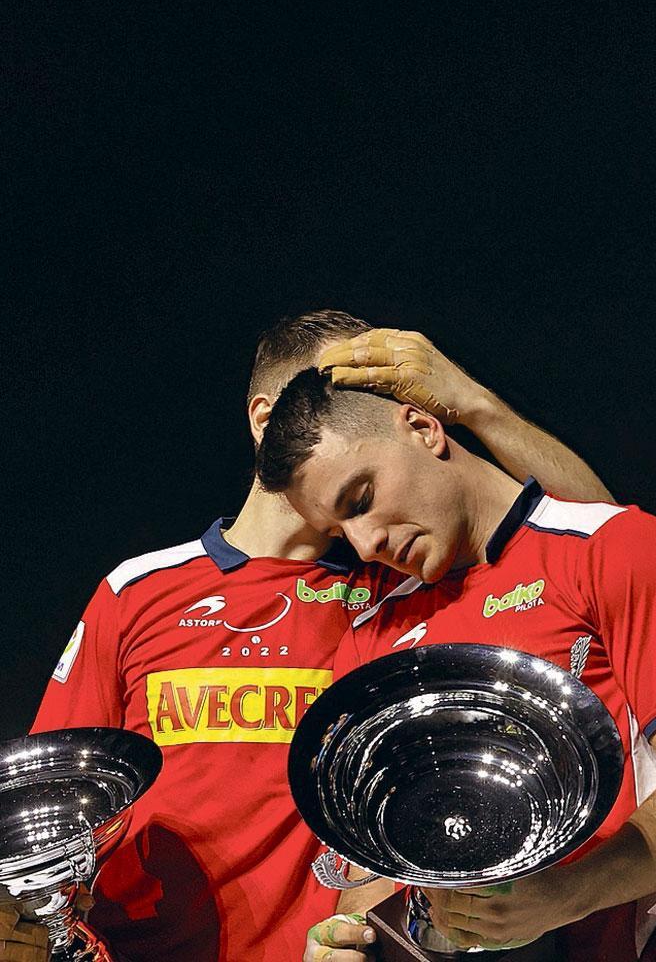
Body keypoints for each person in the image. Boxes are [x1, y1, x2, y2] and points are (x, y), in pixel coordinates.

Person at [29, 311, 611, 962]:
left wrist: (474, 405)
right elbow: (50, 814)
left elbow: (598, 543)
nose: (367, 414)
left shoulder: (404, 592)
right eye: (341, 393)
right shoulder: (137, 592)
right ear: (265, 419)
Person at [257, 368, 656, 962]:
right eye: (340, 530)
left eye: (361, 499)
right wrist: (348, 941)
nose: (364, 544)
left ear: (422, 428)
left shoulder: (619, 550)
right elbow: (375, 872)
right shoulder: (374, 629)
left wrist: (563, 895)